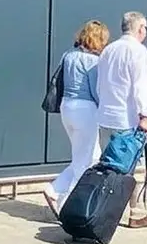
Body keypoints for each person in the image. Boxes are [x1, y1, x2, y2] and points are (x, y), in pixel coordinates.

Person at [93, 11, 147, 229]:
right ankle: (134, 212)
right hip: (126, 119)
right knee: (129, 168)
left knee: (108, 167)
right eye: (145, 28)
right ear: (139, 28)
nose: (146, 32)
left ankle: (100, 209)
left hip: (105, 116)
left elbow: (99, 85)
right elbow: (141, 87)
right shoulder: (138, 52)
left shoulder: (108, 50)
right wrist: (145, 115)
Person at [43, 20, 108, 213]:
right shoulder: (93, 62)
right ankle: (67, 206)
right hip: (85, 110)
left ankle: (54, 189)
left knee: (81, 156)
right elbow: (96, 91)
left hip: (66, 108)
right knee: (88, 161)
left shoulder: (68, 56)